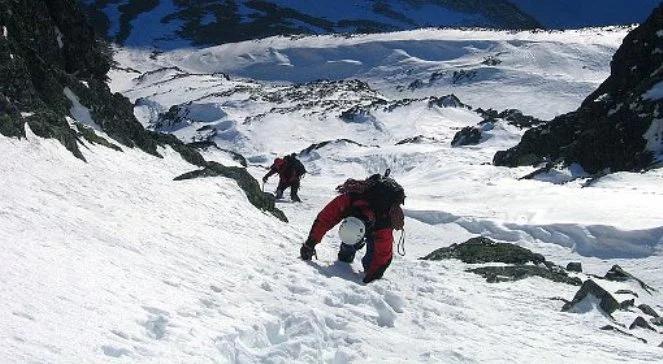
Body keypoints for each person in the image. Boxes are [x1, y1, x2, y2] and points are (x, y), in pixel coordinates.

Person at [300, 171, 405, 283]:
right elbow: (324, 219)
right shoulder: (348, 201)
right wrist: (310, 243)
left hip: (376, 224)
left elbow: (383, 254)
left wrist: (373, 275)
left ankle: (366, 264)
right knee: (346, 248)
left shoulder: (383, 221)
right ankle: (346, 254)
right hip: (358, 222)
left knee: (371, 264)